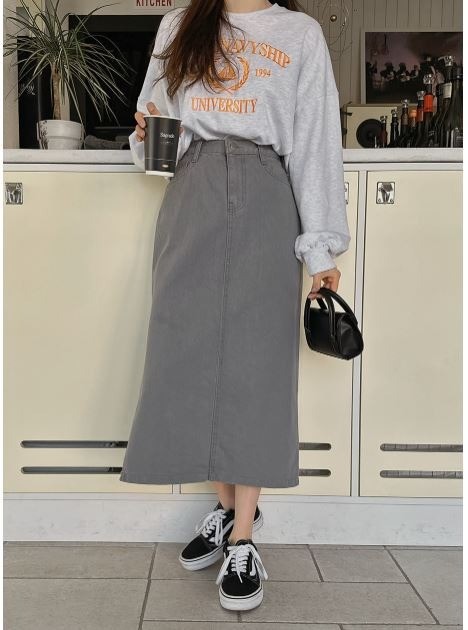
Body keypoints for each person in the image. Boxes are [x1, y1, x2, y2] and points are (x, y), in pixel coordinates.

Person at [120, 0, 350, 611]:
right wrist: (146, 135)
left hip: (267, 193)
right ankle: (226, 510)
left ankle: (243, 537)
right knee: (186, 354)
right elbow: (157, 133)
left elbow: (316, 142)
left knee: (257, 365)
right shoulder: (179, 24)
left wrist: (320, 248)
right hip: (191, 190)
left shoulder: (299, 34)